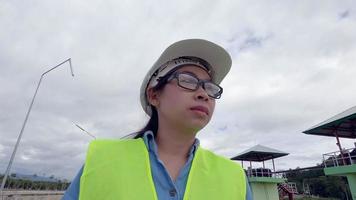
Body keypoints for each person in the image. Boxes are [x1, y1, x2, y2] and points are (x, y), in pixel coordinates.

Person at [63, 39, 253, 200]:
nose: (204, 94)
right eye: (187, 80)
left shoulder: (235, 177)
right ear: (154, 96)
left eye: (210, 88)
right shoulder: (101, 159)